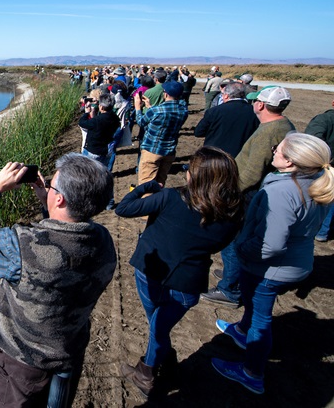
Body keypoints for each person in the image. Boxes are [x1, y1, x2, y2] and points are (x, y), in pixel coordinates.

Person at [0, 155, 117, 407]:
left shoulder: (22, 247)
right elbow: (62, 240)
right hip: (68, 355)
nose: (49, 186)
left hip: (22, 366)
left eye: (53, 185)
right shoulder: (103, 240)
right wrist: (48, 204)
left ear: (61, 198)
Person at [211, 133, 334, 395]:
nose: (274, 150)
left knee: (261, 319)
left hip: (271, 267)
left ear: (290, 162)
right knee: (255, 307)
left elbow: (271, 244)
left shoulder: (283, 193)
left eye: (279, 149)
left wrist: (242, 250)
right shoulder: (317, 181)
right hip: (295, 259)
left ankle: (251, 372)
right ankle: (242, 331)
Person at [115, 147, 243, 397]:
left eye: (189, 170)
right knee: (160, 326)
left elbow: (123, 209)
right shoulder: (234, 211)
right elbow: (222, 244)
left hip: (151, 272)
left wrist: (143, 187)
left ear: (196, 177)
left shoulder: (172, 198)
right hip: (189, 283)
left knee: (157, 327)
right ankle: (167, 364)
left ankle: (146, 375)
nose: (185, 174)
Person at [202, 86, 296, 307]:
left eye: (255, 101)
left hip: (246, 194)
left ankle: (229, 289)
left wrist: (229, 193)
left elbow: (252, 172)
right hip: (256, 191)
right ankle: (231, 274)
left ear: (261, 104)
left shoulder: (268, 132)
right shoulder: (283, 125)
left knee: (234, 238)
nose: (252, 103)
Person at [134, 81, 189, 187]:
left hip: (152, 150)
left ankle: (148, 202)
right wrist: (149, 106)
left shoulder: (156, 110)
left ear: (166, 94)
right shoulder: (183, 110)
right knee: (160, 182)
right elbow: (163, 119)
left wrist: (137, 108)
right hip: (169, 151)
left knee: (146, 185)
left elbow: (141, 122)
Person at [194, 81, 260, 159]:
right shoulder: (254, 112)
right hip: (241, 155)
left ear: (226, 96)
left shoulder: (214, 111)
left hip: (215, 155)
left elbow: (198, 132)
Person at [305, 99, 334, 241]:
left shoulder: (325, 119)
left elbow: (312, 140)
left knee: (319, 197)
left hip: (325, 165)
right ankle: (323, 231)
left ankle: (319, 230)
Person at [79, 93, 120, 168]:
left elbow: (82, 123)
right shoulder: (115, 118)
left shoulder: (97, 121)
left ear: (101, 107)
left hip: (92, 151)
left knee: (87, 173)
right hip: (105, 150)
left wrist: (87, 113)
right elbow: (104, 115)